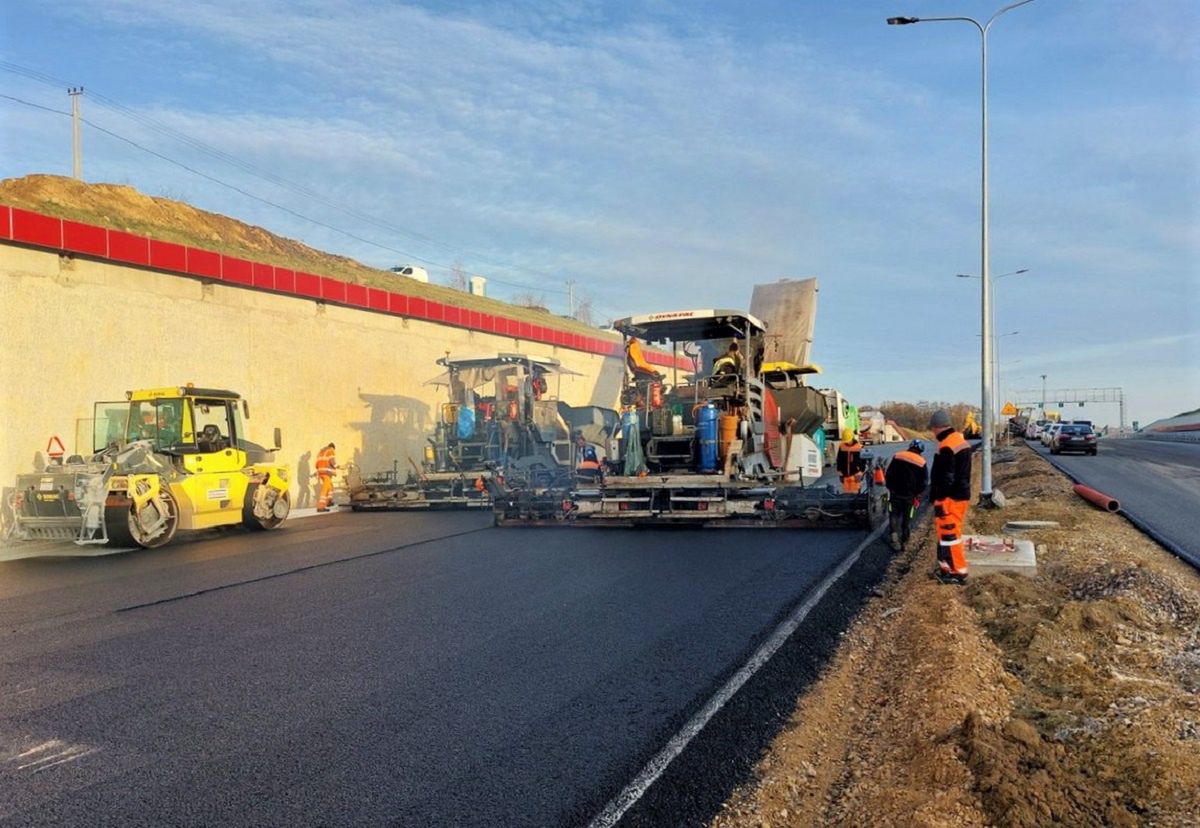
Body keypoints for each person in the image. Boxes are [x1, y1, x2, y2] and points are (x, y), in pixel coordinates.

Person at [929, 410, 972, 583]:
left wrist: (939, 496)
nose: (932, 433)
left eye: (932, 429)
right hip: (958, 496)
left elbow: (947, 476)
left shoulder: (947, 445)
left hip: (949, 499)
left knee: (949, 535)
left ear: (937, 427)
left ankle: (958, 572)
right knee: (946, 534)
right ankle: (947, 568)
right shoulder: (959, 441)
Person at [885, 439, 928, 551]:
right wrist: (918, 494)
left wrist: (891, 488)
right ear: (920, 450)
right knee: (907, 518)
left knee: (893, 515)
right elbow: (923, 482)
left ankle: (894, 536)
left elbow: (889, 474)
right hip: (910, 496)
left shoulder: (898, 456)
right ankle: (905, 541)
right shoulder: (921, 462)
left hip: (895, 493)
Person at [835, 428, 865, 493]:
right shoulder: (842, 446)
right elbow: (839, 460)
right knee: (846, 497)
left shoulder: (859, 447)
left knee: (856, 497)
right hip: (845, 476)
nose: (847, 442)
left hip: (855, 476)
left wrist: (860, 474)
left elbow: (863, 463)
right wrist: (840, 474)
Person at [316, 442, 338, 512]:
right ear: (333, 447)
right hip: (326, 472)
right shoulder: (331, 450)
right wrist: (337, 466)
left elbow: (316, 463)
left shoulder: (321, 451)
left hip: (321, 471)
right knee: (325, 489)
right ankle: (321, 507)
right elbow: (332, 461)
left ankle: (329, 501)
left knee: (330, 486)